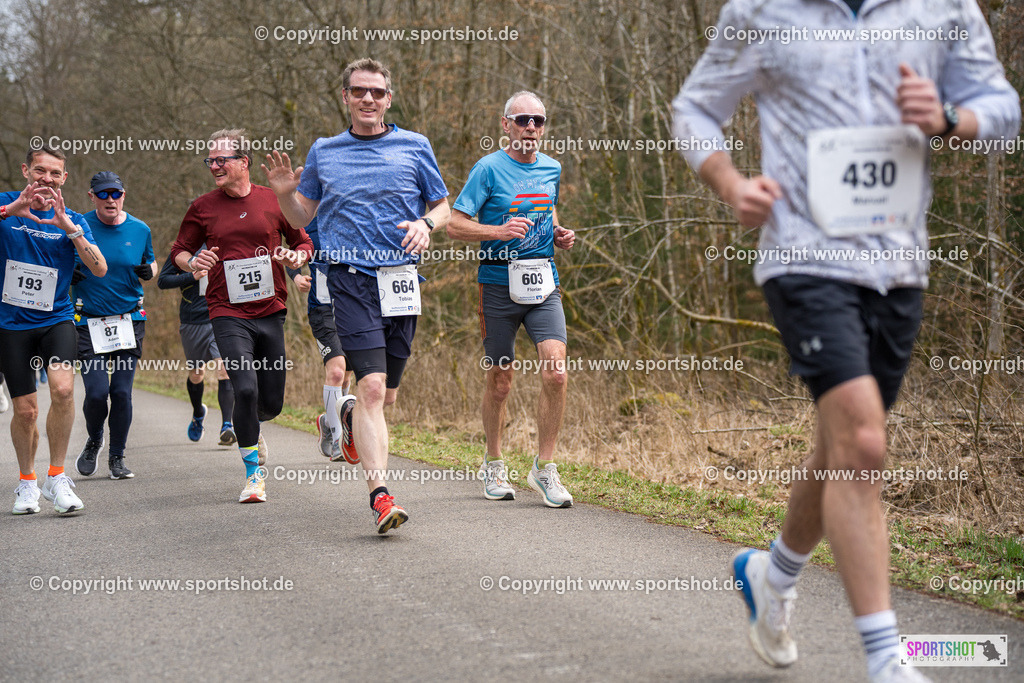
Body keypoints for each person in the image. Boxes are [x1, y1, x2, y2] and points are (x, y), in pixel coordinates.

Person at [672, 2, 1020, 681]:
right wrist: (731, 183)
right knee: (862, 441)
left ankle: (773, 574)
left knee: (841, 447)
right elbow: (694, 108)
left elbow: (1002, 108)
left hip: (897, 265)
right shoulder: (762, 10)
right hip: (803, 255)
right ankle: (887, 659)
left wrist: (951, 118)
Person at [264, 57, 449, 534]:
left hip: (401, 282)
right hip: (349, 280)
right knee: (370, 387)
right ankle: (381, 497)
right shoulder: (325, 151)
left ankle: (345, 416)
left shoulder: (415, 145)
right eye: (359, 91)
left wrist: (427, 225)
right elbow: (303, 217)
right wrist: (284, 195)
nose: (369, 99)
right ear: (345, 96)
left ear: (389, 99)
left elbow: (443, 205)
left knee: (386, 397)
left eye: (377, 92)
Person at [448, 91, 576, 507]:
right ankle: (493, 462)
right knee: (501, 381)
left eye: (538, 120)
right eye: (522, 120)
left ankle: (544, 467)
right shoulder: (487, 169)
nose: (531, 127)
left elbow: (547, 210)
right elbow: (454, 224)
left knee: (556, 372)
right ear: (505, 125)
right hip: (498, 286)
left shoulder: (552, 167)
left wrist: (557, 233)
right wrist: (497, 232)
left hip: (543, 284)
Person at [170, 128, 312, 504]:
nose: (214, 166)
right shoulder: (203, 207)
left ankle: (254, 424)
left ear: (243, 162)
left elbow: (303, 241)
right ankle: (253, 476)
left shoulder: (273, 199)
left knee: (271, 401)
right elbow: (179, 251)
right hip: (226, 311)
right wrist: (192, 262)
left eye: (221, 160)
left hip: (271, 310)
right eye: (210, 161)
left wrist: (296, 258)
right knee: (244, 388)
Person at [1, 145, 107, 514]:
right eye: (40, 171)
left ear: (64, 178)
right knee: (26, 411)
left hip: (55, 318)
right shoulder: (5, 205)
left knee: (63, 389)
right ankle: (26, 482)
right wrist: (10, 212)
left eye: (55, 173)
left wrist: (71, 231)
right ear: (26, 170)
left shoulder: (72, 218)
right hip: (11, 323)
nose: (47, 179)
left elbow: (99, 268)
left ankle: (57, 477)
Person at [72, 172, 156, 480]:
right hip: (88, 320)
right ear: (92, 196)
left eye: (116, 193)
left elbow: (151, 261)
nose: (110, 199)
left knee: (121, 392)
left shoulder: (140, 229)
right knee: (97, 393)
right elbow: (57, 261)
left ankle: (117, 457)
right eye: (103, 194)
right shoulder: (77, 226)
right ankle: (95, 439)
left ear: (123, 195)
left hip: (128, 320)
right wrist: (68, 273)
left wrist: (150, 271)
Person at [284, 215, 357, 464]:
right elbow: (293, 252)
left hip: (354, 309)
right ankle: (338, 438)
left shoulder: (355, 218)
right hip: (322, 310)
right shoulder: (308, 223)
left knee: (346, 374)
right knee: (336, 371)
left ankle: (329, 420)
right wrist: (296, 276)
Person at [158, 246, 236, 445]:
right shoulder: (184, 250)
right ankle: (198, 412)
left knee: (224, 369)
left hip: (221, 317)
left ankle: (227, 425)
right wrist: (191, 276)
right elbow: (163, 281)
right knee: (196, 374)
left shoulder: (226, 243)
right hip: (192, 321)